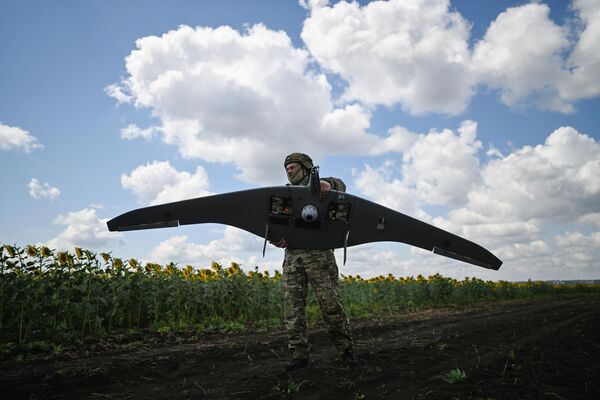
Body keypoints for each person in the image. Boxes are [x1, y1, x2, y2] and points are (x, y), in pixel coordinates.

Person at [271, 152, 358, 371]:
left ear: (306, 167)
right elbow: (273, 223)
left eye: (292, 167)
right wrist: (275, 239)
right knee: (293, 309)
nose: (289, 171)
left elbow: (340, 185)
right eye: (286, 168)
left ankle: (346, 352)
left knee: (331, 304)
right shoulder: (284, 196)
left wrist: (328, 184)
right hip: (293, 257)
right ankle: (299, 356)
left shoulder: (323, 186)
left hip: (320, 256)